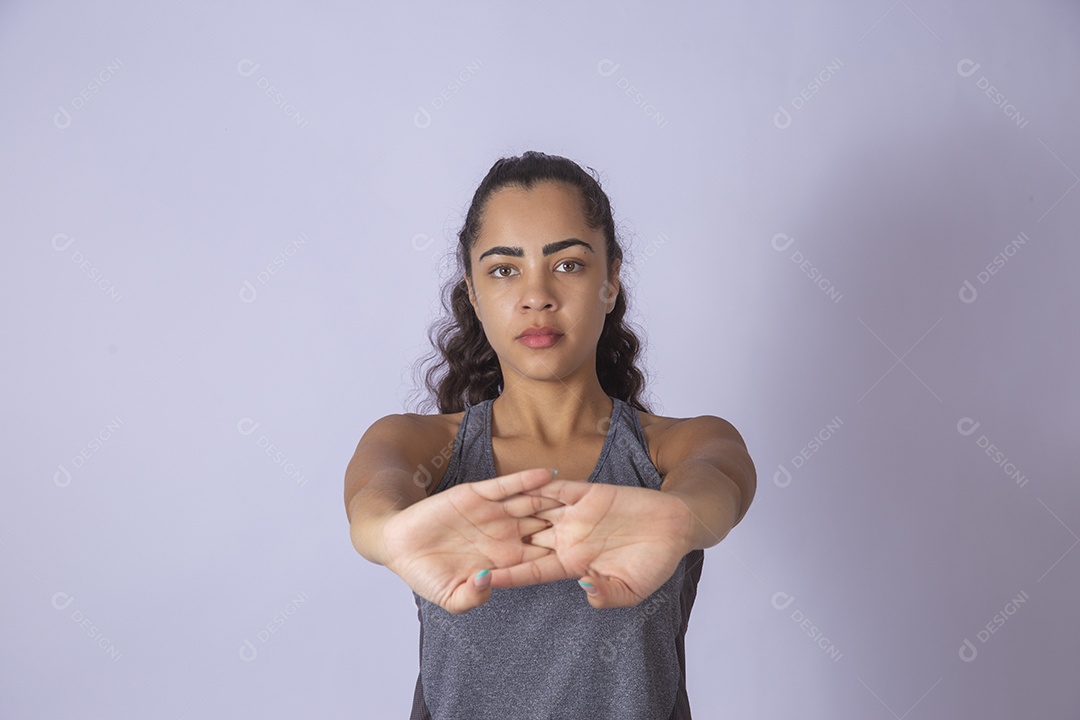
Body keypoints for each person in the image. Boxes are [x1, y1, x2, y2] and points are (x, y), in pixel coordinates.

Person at [343, 150, 756, 720]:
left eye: (568, 264)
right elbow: (373, 500)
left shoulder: (677, 445)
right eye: (504, 269)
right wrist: (391, 536)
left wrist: (680, 519)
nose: (537, 296)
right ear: (473, 292)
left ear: (610, 281)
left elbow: (721, 481)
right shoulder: (416, 444)